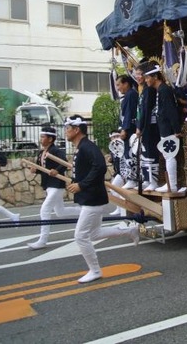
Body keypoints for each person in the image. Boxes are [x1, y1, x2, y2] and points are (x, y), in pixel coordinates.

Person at [64, 115, 139, 283]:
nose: (66, 132)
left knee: (80, 236)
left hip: (93, 198)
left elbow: (100, 166)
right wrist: (76, 182)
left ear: (76, 130)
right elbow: (88, 169)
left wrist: (82, 185)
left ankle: (95, 271)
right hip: (89, 198)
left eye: (68, 128)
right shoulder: (82, 147)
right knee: (95, 233)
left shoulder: (87, 146)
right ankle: (129, 231)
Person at [27, 127, 81, 250]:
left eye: (43, 137)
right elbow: (42, 169)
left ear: (50, 139)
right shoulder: (41, 152)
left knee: (45, 209)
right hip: (48, 185)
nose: (41, 139)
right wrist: (35, 170)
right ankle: (84, 211)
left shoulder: (55, 151)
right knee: (60, 212)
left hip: (57, 185)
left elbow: (64, 163)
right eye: (41, 137)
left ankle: (42, 240)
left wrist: (56, 170)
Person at [143, 64, 184, 193]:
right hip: (164, 127)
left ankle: (172, 185)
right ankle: (171, 184)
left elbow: (171, 110)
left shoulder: (164, 90)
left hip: (168, 128)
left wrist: (176, 129)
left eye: (147, 77)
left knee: (169, 155)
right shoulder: (160, 90)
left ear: (155, 76)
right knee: (168, 155)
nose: (146, 80)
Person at [133, 63, 160, 191]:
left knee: (150, 152)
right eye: (136, 75)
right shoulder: (143, 90)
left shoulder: (149, 90)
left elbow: (146, 111)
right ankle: (147, 179)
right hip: (145, 126)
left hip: (150, 125)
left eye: (140, 74)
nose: (138, 77)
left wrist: (140, 127)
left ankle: (153, 181)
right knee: (145, 152)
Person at [115, 75, 139, 190]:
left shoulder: (131, 94)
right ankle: (130, 178)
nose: (118, 88)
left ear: (126, 84)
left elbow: (129, 113)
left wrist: (125, 129)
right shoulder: (128, 95)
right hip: (127, 128)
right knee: (127, 154)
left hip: (130, 129)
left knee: (130, 153)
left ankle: (132, 179)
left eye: (119, 84)